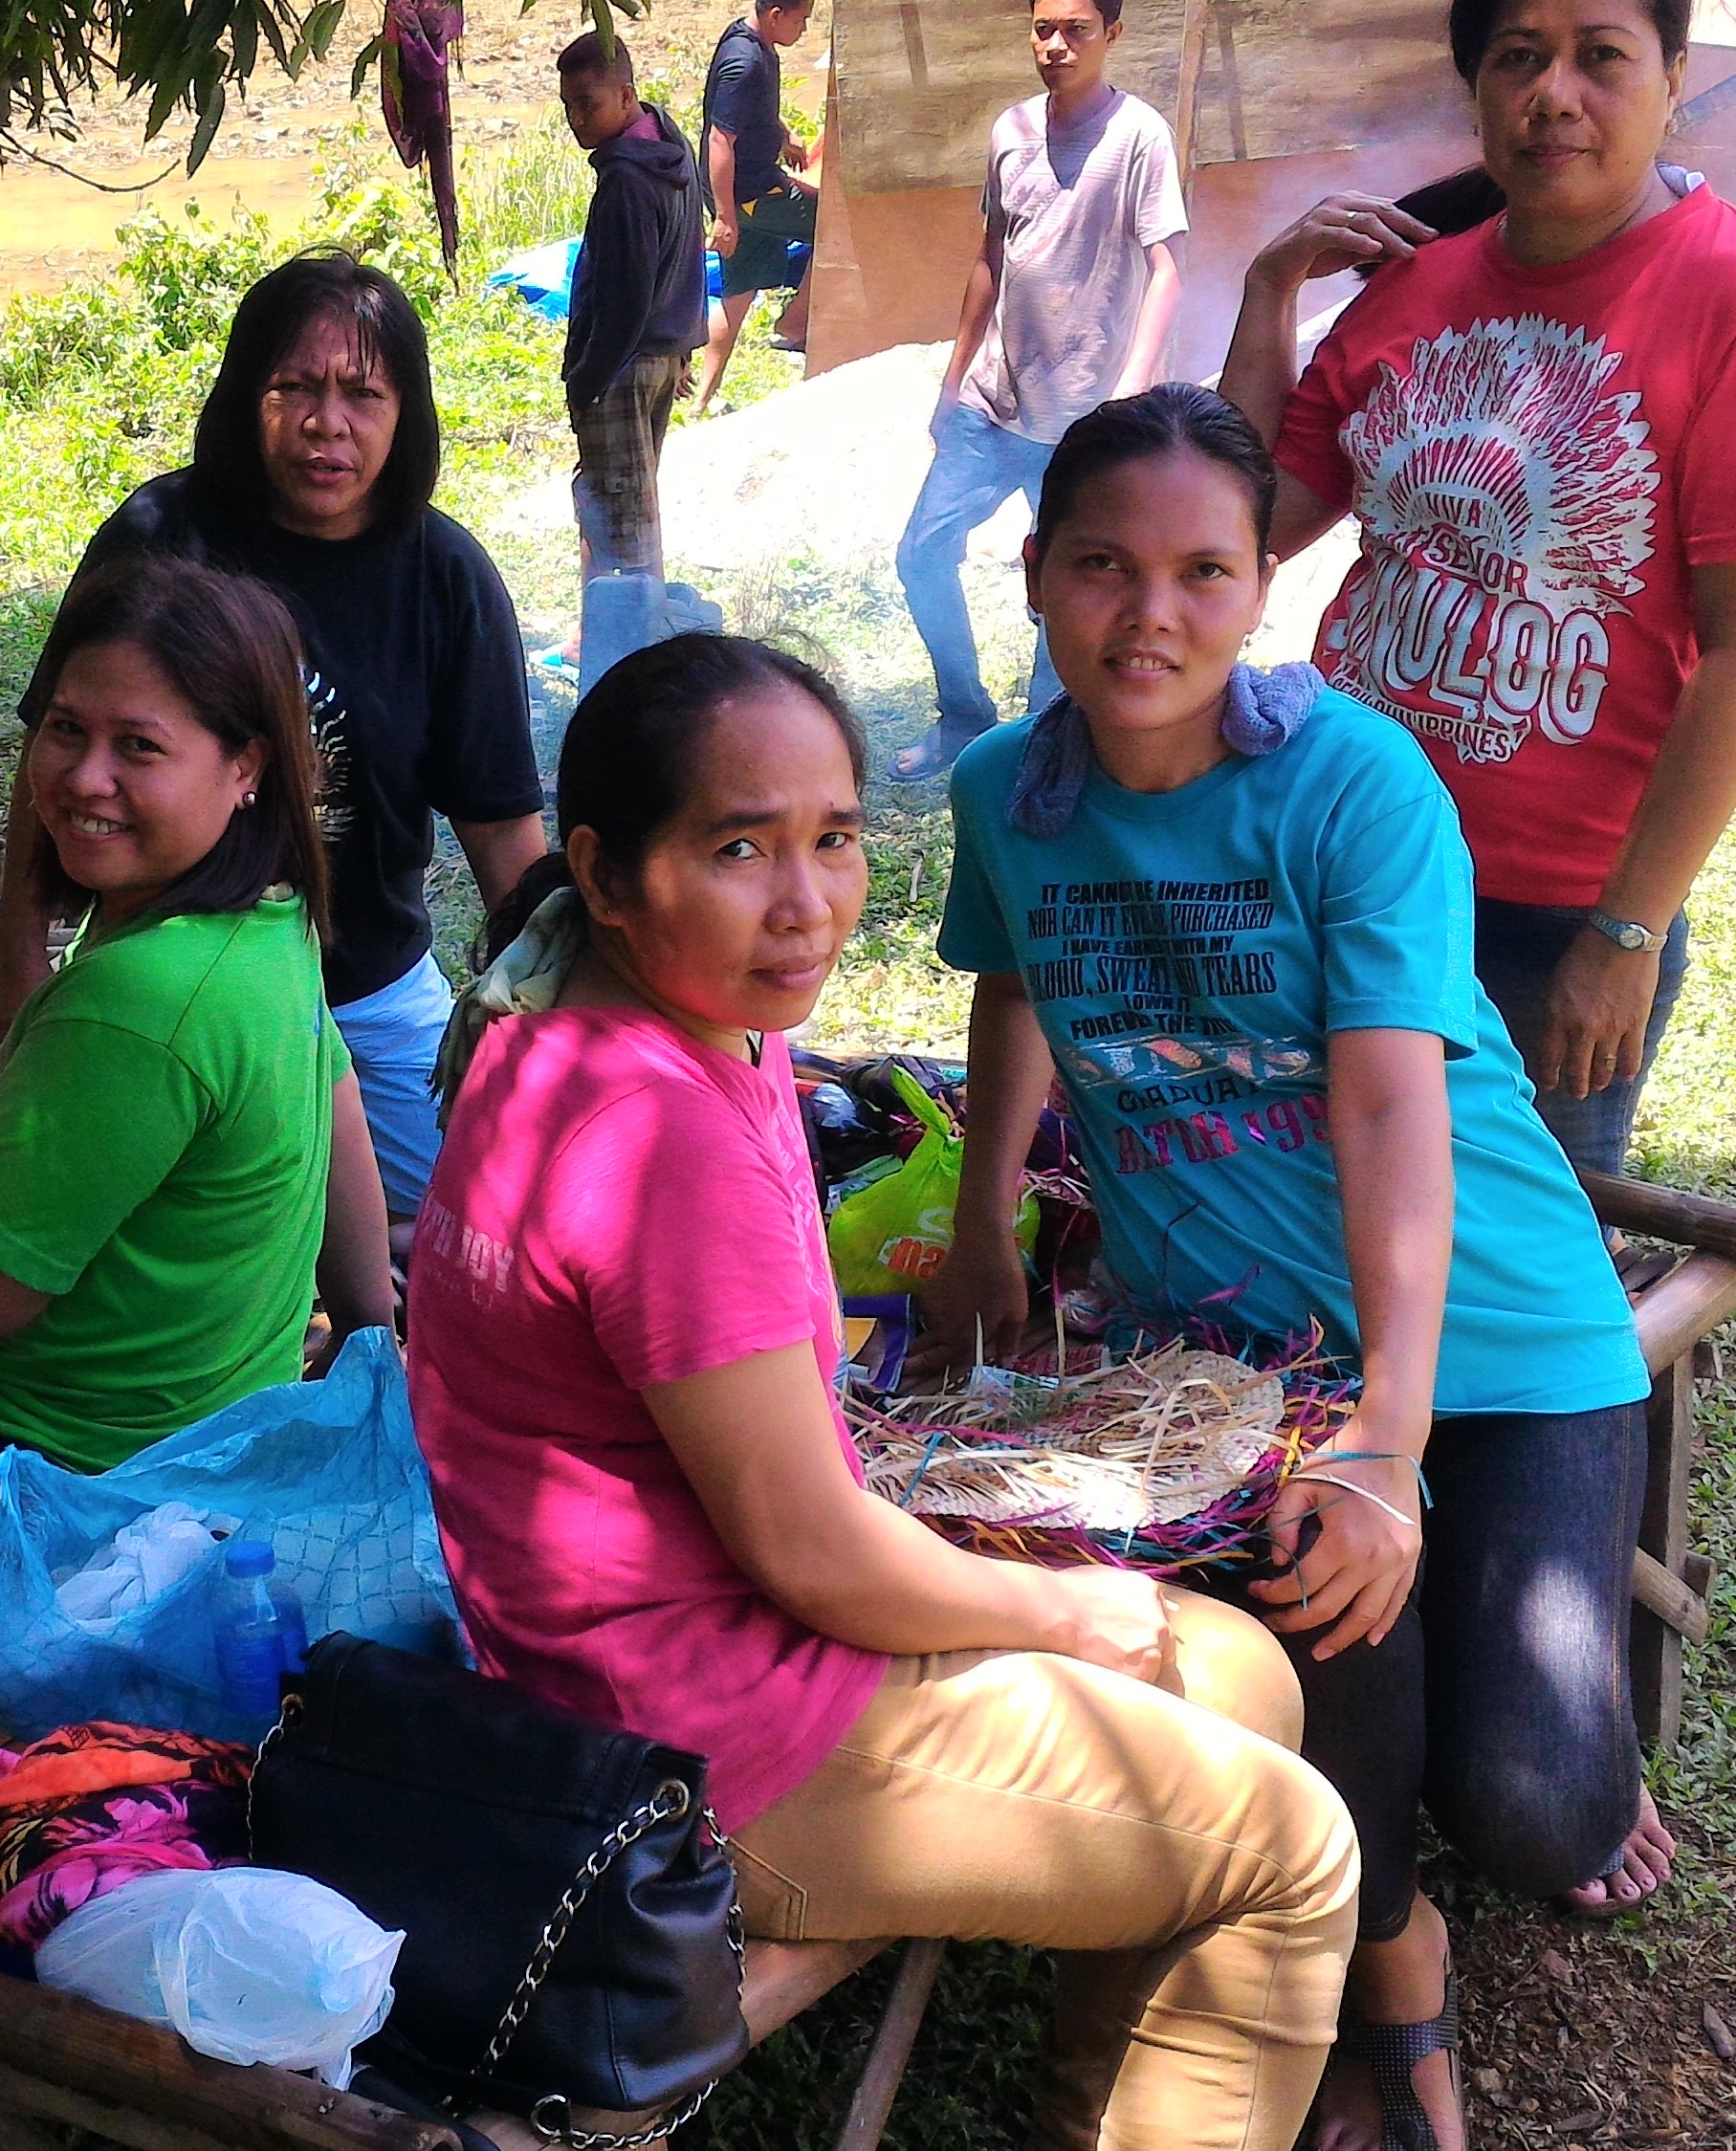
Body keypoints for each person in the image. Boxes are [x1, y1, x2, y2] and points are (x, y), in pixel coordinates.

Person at [408, 632, 1360, 2151]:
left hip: (658, 1662)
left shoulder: (617, 1022)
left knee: (1237, 1671)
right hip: (699, 1749)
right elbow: (809, 1550)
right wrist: (1060, 1609)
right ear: (604, 871)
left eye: (835, 838)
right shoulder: (656, 1134)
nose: (806, 902)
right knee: (1293, 1850)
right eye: (739, 849)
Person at [921, 386, 1664, 2151]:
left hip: (1494, 1326)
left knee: (1536, 1806)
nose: (1147, 614)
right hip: (1236, 1363)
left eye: (1201, 570)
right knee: (1335, 1707)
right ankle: (1393, 1967)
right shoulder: (1004, 790)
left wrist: (1390, 1436)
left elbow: (1389, 1100)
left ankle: (1541, 1707)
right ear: (1033, 573)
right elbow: (1013, 979)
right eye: (1100, 565)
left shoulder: (1350, 780)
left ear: (1263, 587)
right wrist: (982, 1222)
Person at [1218, 0, 1736, 1177]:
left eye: (1599, 56)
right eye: (1517, 58)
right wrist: (1268, 295)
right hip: (1340, 857)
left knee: (1518, 1262)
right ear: (1476, 87)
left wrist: (1626, 931)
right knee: (1312, 1216)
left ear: (1672, 77)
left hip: (1552, 912)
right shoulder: (1412, 283)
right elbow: (1236, 533)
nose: (1553, 93)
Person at [0, 559, 394, 1635]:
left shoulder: (140, 1003)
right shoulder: (263, 916)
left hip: (14, 1490)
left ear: (245, 766)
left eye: (138, 745)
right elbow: (336, 1102)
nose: (83, 776)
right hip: (187, 1459)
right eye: (65, 729)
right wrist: (369, 1334)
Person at [0, 253, 545, 1221]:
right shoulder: (164, 537)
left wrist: (541, 1009)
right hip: (163, 979)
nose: (326, 424)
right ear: (245, 396)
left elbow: (501, 828)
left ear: (406, 414)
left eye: (362, 394)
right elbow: (60, 753)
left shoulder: (445, 576)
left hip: (367, 985)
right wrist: (21, 954)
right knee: (156, 1230)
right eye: (293, 387)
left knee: (475, 1218)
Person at [890, 0, 1187, 783]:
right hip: (993, 404)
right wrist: (953, 379)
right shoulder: (1011, 130)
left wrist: (1132, 386)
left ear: (1111, 36)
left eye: (1076, 30)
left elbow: (1165, 269)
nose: (1056, 45)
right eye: (1043, 29)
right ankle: (963, 714)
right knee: (920, 553)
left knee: (1065, 586)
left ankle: (1043, 743)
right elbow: (990, 257)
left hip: (1083, 421)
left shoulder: (1138, 137)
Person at [558, 32, 708, 587]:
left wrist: (585, 380)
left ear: (625, 96)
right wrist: (683, 345)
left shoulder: (626, 180)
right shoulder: (668, 138)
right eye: (568, 106)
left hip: (623, 369)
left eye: (588, 104)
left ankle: (627, 630)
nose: (577, 120)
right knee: (631, 508)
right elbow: (687, 251)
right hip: (663, 355)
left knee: (621, 530)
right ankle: (606, 625)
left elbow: (625, 302)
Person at [692, 0, 820, 415]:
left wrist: (784, 135)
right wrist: (725, 217)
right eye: (801, 20)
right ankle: (794, 323)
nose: (804, 30)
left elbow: (750, 113)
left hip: (747, 190)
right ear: (775, 15)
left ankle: (700, 400)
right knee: (834, 226)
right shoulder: (744, 64)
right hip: (749, 195)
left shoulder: (750, 40)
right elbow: (719, 139)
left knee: (737, 293)